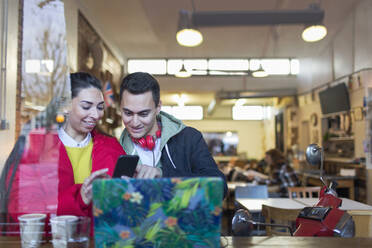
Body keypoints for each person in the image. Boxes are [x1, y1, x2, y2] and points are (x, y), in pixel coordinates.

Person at [118, 72, 227, 195]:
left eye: (143, 114)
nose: (135, 122)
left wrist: (164, 176)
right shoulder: (115, 148)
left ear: (158, 107)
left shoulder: (190, 139)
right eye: (128, 113)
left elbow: (220, 186)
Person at [57, 72, 125, 216]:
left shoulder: (112, 147)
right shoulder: (40, 151)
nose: (96, 115)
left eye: (100, 107)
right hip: (56, 237)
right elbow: (29, 208)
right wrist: (80, 197)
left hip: (102, 236)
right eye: (86, 106)